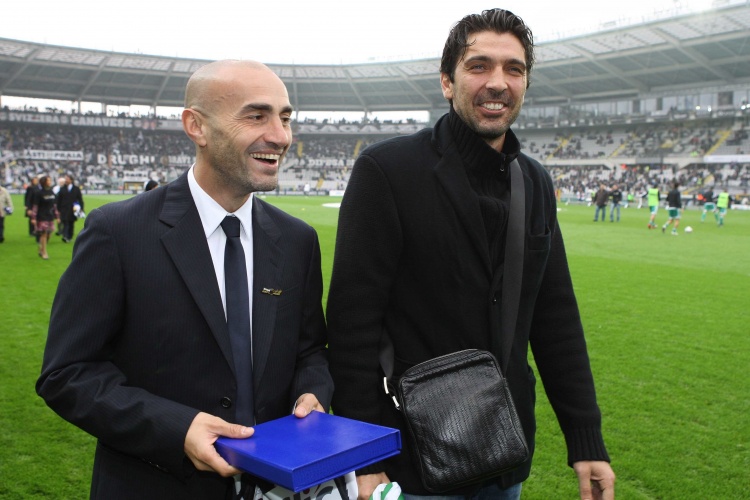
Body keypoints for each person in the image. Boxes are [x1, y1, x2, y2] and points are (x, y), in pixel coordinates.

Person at [327, 9, 614, 500]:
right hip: (411, 459)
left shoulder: (535, 181)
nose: (498, 82)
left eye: (513, 69)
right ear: (447, 81)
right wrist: (365, 455)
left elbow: (555, 317)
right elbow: (351, 325)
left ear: (525, 84)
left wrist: (585, 438)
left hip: (505, 454)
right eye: (479, 66)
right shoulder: (388, 170)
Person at [36, 60, 334, 500]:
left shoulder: (297, 239)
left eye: (285, 118)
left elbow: (309, 350)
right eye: (257, 116)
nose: (280, 136)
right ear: (197, 126)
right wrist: (178, 428)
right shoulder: (118, 231)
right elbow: (67, 373)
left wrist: (312, 391)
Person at [31, 175, 60, 259]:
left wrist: (57, 216)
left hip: (50, 215)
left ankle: (41, 248)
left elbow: (54, 205)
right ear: (44, 182)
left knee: (49, 234)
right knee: (44, 233)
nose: (50, 182)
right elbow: (35, 206)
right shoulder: (39, 193)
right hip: (41, 216)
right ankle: (44, 252)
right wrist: (33, 217)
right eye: (48, 180)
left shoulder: (51, 192)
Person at [56, 174, 85, 242]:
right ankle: (65, 236)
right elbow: (59, 200)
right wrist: (58, 209)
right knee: (65, 222)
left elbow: (80, 199)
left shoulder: (76, 189)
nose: (66, 180)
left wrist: (81, 208)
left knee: (71, 223)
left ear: (71, 180)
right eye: (65, 179)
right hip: (64, 209)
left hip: (73, 209)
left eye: (67, 179)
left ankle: (69, 236)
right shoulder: (62, 189)